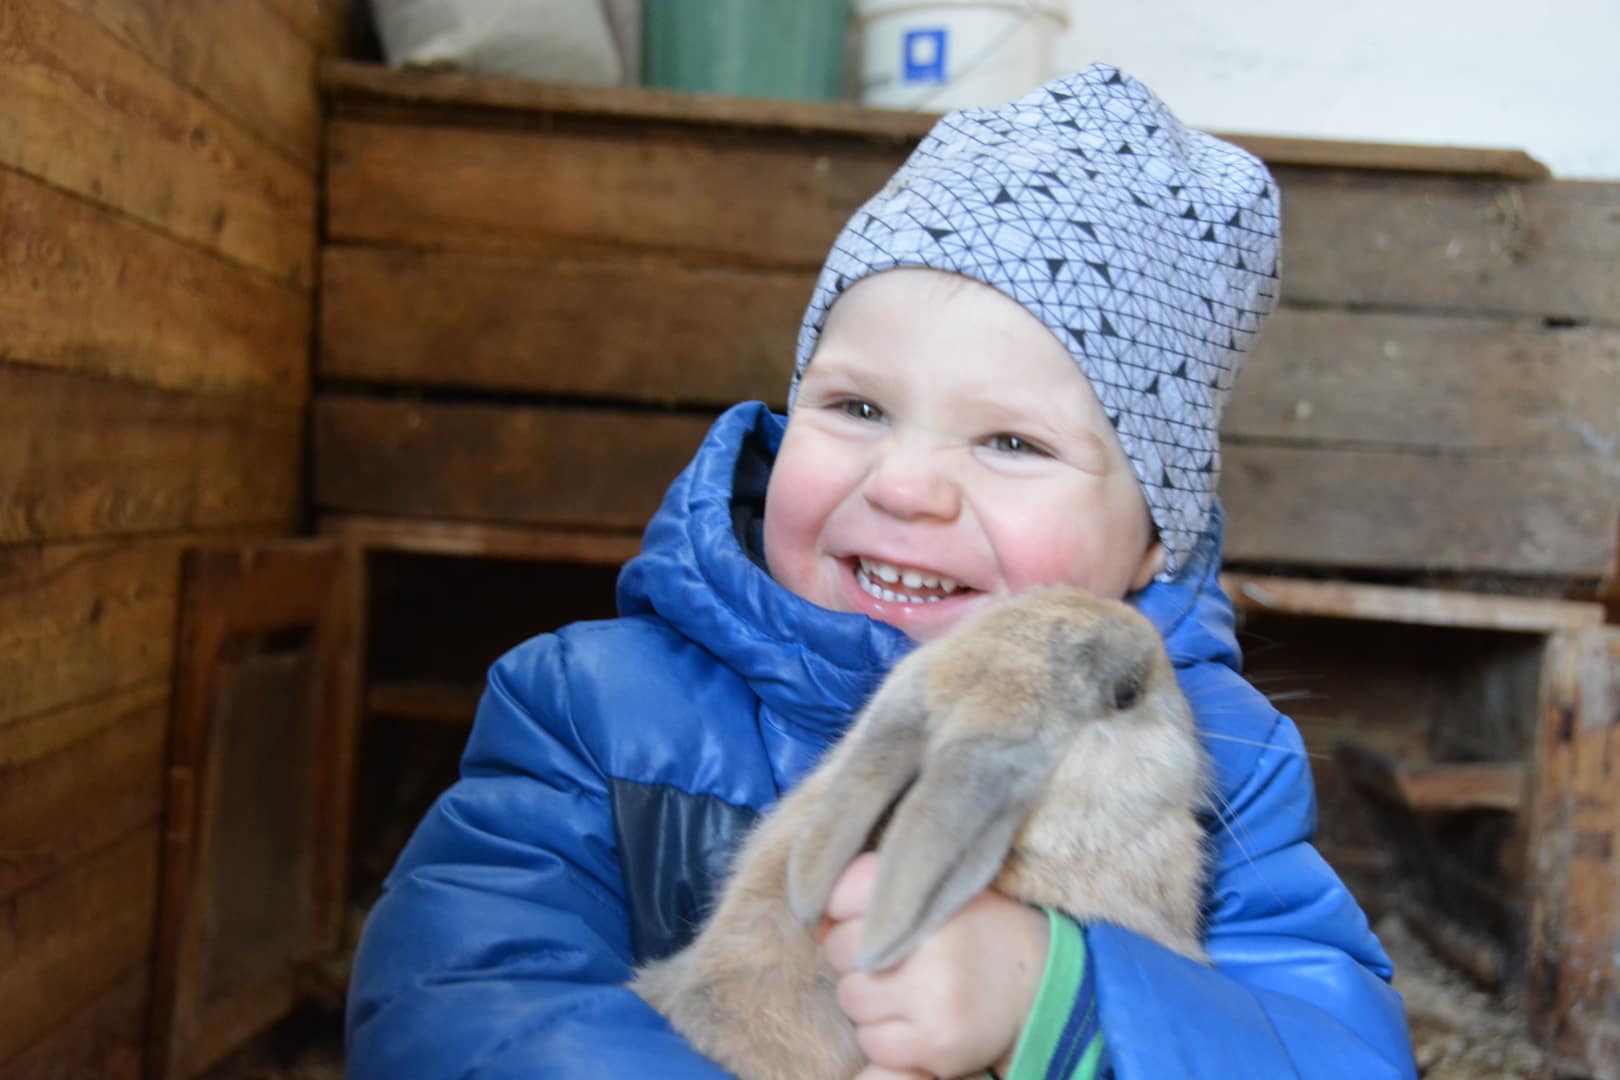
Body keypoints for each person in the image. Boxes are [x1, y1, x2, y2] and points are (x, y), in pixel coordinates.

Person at [345, 63, 1417, 1079]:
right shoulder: (596, 710)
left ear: (1150, 545)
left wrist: (1053, 995)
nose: (905, 485)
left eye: (1011, 443)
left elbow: (1342, 1052)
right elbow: (452, 1002)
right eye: (857, 408)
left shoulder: (1221, 763)